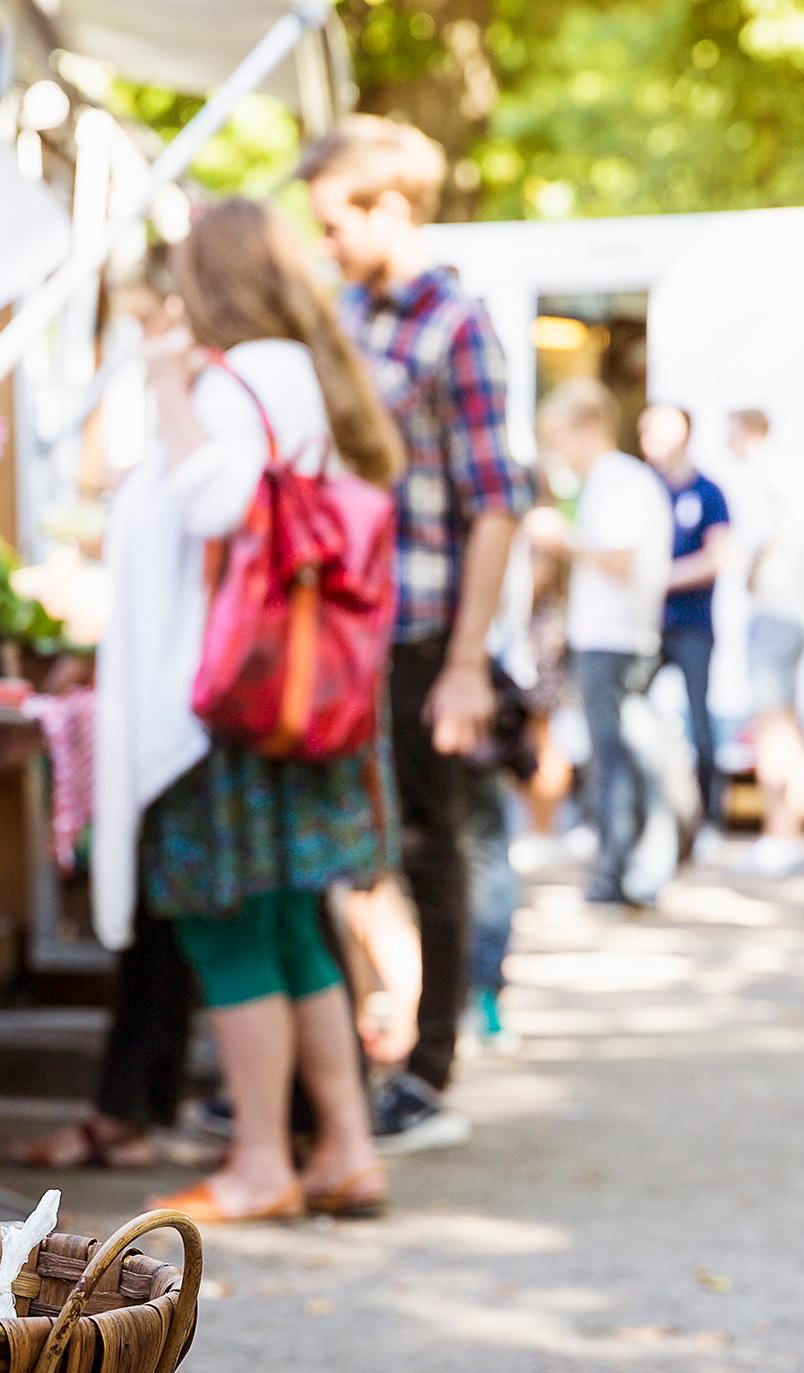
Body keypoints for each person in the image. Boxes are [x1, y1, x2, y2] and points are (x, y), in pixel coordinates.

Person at [101, 198, 403, 1224]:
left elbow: (215, 504)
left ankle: (263, 1162)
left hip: (216, 710)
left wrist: (166, 387)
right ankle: (345, 1153)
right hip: (287, 700)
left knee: (227, 932)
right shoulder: (305, 369)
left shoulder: (235, 379)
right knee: (288, 931)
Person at [302, 116, 531, 1152]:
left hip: (423, 627)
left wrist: (466, 661)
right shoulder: (343, 312)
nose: (326, 241)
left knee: (429, 846)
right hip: (343, 624)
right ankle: (340, 1071)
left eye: (336, 220)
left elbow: (495, 500)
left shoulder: (457, 326)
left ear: (391, 205)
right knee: (341, 850)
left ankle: (428, 1073)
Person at [17, 252, 194, 1173]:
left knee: (177, 910)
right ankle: (136, 1108)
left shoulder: (202, 404)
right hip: (165, 695)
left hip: (187, 708)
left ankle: (130, 1109)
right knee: (167, 918)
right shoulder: (185, 415)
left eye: (144, 323)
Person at [537, 379, 674, 906]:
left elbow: (617, 560)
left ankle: (618, 872)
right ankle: (627, 868)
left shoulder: (619, 482)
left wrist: (561, 539)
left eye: (561, 438)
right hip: (611, 638)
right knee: (625, 757)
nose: (559, 453)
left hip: (615, 641)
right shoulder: (608, 482)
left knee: (617, 762)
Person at [728, 409, 804, 877]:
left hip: (778, 614)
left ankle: (781, 833)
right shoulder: (771, 474)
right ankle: (788, 830)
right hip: (781, 612)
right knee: (784, 725)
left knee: (774, 725)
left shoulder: (773, 472)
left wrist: (768, 565)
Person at [638, 401, 734, 859]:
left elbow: (719, 557)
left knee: (700, 722)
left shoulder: (708, 493)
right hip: (644, 629)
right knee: (629, 719)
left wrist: (659, 576)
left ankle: (710, 820)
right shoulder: (643, 489)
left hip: (691, 626)